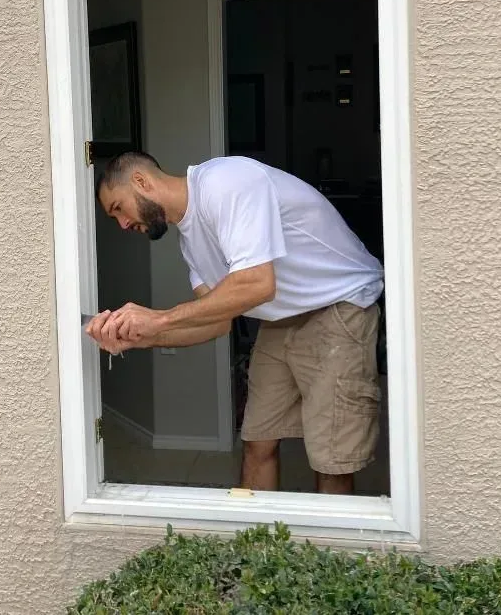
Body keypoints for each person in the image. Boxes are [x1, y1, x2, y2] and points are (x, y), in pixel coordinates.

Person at [88, 152, 384, 495]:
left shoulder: (225, 182)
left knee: (331, 460)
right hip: (280, 319)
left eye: (118, 209)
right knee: (257, 443)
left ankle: (331, 547)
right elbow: (217, 322)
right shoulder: (189, 240)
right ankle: (255, 544)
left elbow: (257, 282)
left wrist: (159, 318)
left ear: (140, 181)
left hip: (338, 306)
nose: (123, 225)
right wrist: (142, 336)